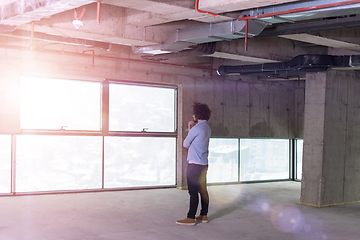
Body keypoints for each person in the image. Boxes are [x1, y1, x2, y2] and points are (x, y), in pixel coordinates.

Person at [176, 102, 211, 226]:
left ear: (197, 115)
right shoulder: (207, 127)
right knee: (203, 189)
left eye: (194, 114)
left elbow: (186, 144)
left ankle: (190, 217)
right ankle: (203, 215)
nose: (192, 116)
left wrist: (190, 128)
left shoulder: (197, 128)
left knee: (193, 191)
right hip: (203, 164)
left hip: (194, 165)